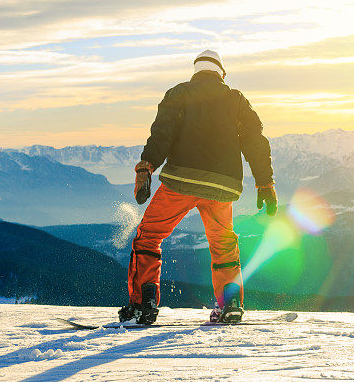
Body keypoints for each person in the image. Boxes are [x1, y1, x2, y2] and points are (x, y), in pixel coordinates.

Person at [119, 50, 278, 325]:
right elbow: (256, 141)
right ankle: (230, 305)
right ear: (221, 73)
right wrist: (265, 182)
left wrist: (147, 166)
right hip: (223, 188)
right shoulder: (236, 100)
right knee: (223, 244)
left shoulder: (178, 94)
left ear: (196, 71)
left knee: (148, 237)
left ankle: (142, 305)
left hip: (181, 181)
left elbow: (161, 134)